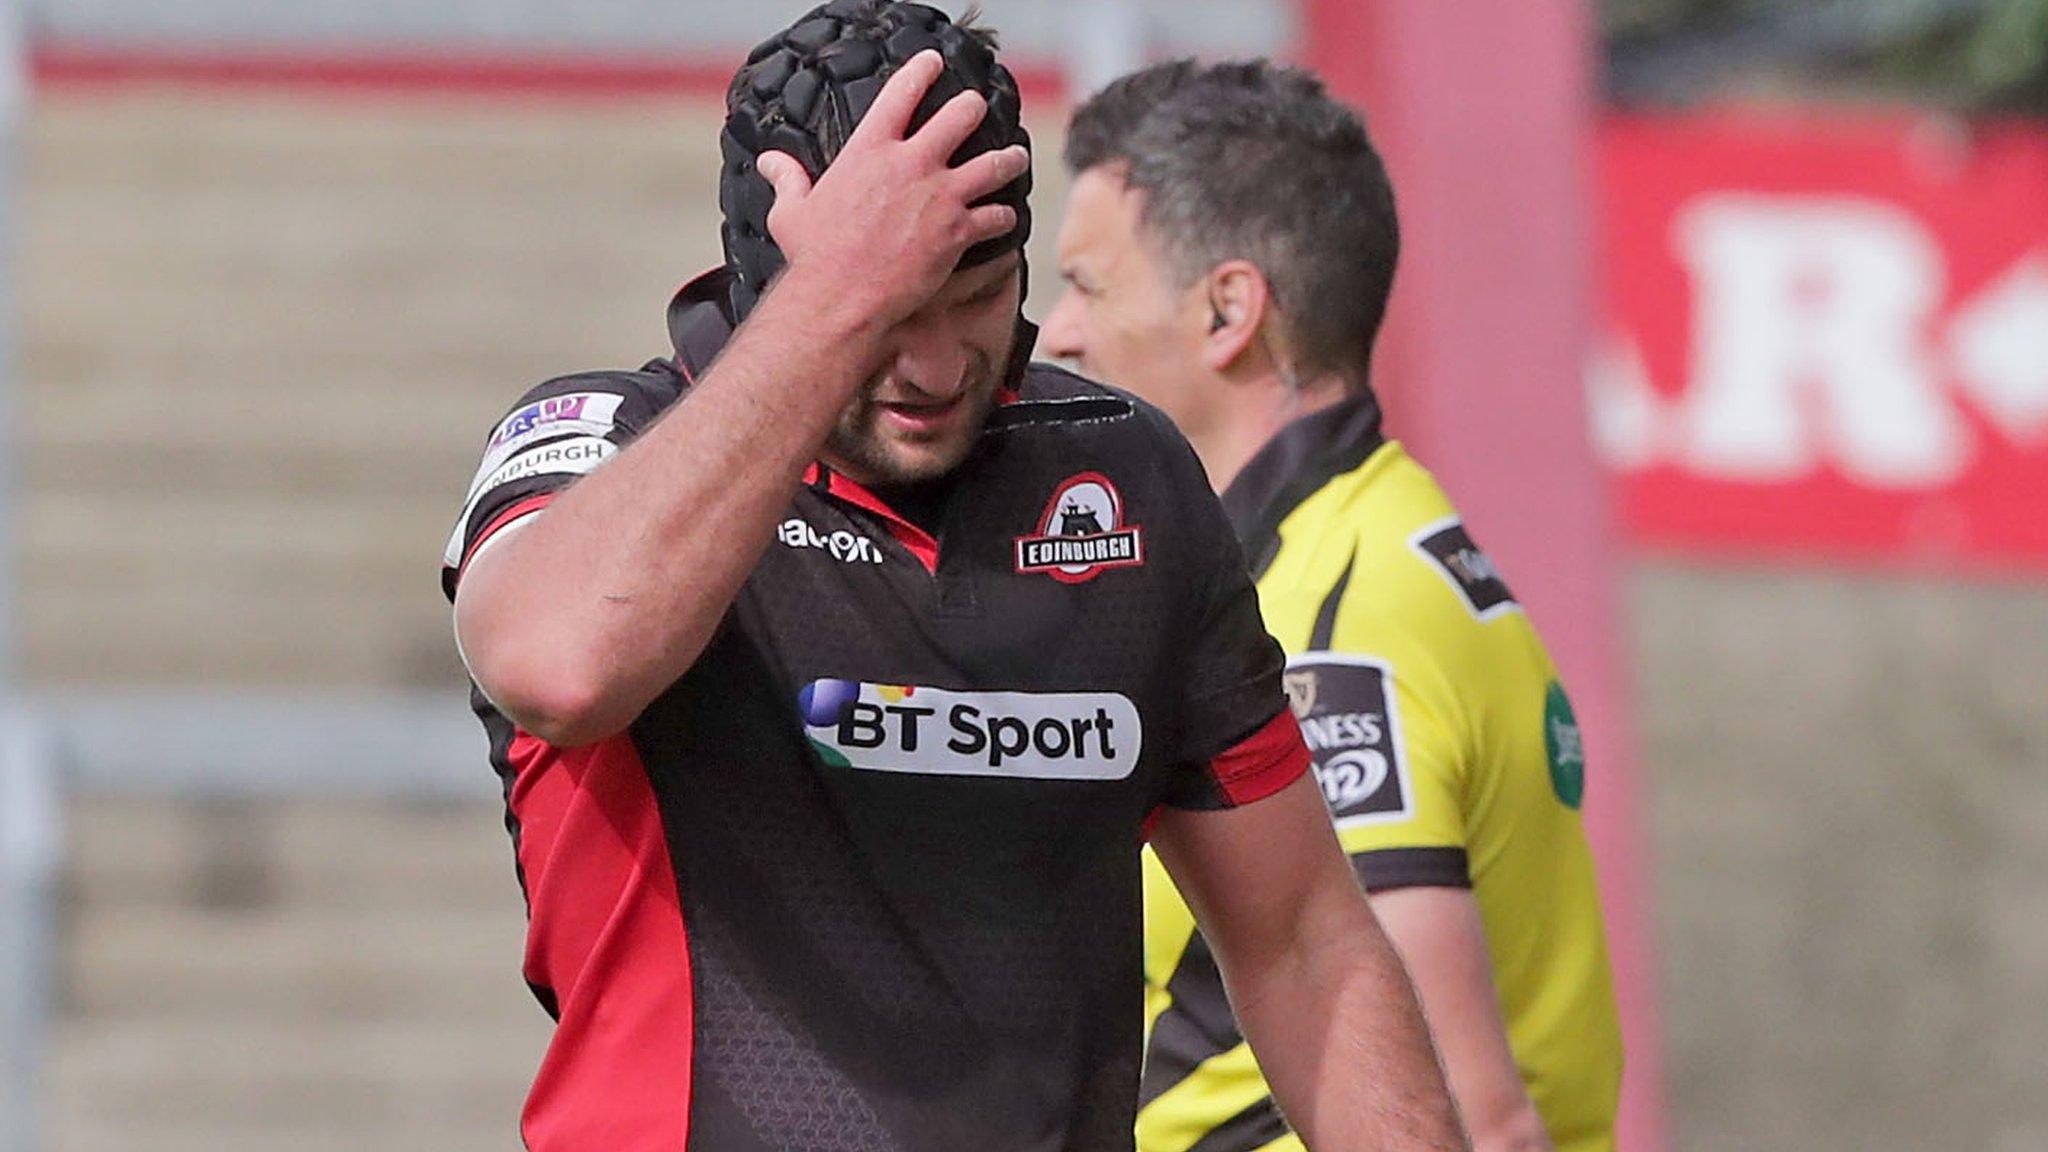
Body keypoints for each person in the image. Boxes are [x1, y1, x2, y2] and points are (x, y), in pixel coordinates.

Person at [440, 5, 1468, 1151]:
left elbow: (1302, 942)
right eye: (890, 312)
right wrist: (835, 300)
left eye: (976, 295)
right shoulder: (603, 448)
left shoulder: (1122, 475)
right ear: (762, 281)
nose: (932, 367)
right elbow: (559, 665)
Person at [1041, 60, 1624, 1152]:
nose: (1058, 331)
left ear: (1226, 310)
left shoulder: (1333, 626)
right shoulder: (1349, 548)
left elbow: (1468, 1115)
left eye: (1089, 285)